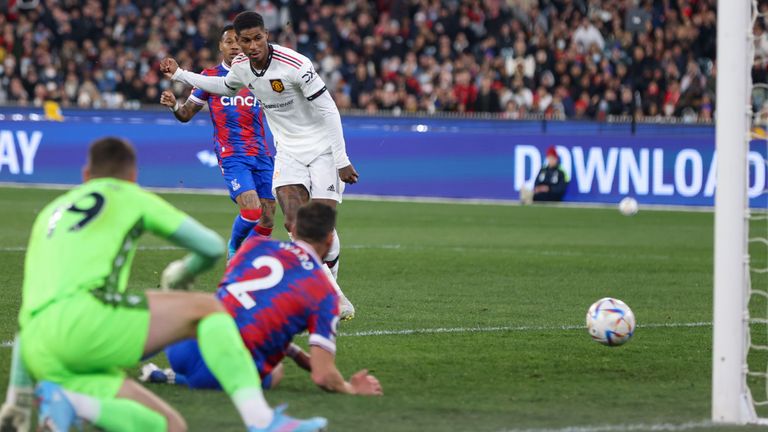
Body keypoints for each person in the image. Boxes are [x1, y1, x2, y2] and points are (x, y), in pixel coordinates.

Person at [0, 137, 327, 432]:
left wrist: (16, 401)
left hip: (38, 346)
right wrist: (181, 274)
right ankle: (262, 420)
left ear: (86, 175)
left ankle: (73, 403)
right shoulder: (130, 195)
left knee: (170, 425)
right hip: (87, 321)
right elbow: (212, 247)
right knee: (208, 309)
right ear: (132, 175)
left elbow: (30, 313)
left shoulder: (49, 213)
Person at [160, 11, 356, 319]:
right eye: (245, 40)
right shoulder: (239, 68)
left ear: (267, 35)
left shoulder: (296, 65)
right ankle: (330, 296)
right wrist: (180, 75)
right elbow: (223, 86)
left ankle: (330, 287)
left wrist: (342, 160)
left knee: (321, 226)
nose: (252, 46)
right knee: (293, 225)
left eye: (258, 38)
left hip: (321, 151)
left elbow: (329, 110)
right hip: (284, 153)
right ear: (236, 42)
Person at [141, 203, 383, 397]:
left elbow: (238, 304)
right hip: (222, 372)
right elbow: (323, 376)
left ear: (294, 230)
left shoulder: (254, 246)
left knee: (210, 306)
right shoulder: (324, 293)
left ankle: (159, 370)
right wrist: (351, 389)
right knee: (274, 371)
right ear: (329, 240)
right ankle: (181, 378)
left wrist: (296, 353)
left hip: (182, 344)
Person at [160, 24, 277, 259]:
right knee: (252, 211)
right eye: (229, 42)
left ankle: (249, 260)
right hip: (232, 155)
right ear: (220, 46)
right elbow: (185, 114)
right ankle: (234, 249)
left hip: (262, 154)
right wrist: (174, 104)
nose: (235, 46)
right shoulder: (209, 77)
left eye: (239, 41)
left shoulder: (260, 75)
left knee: (268, 217)